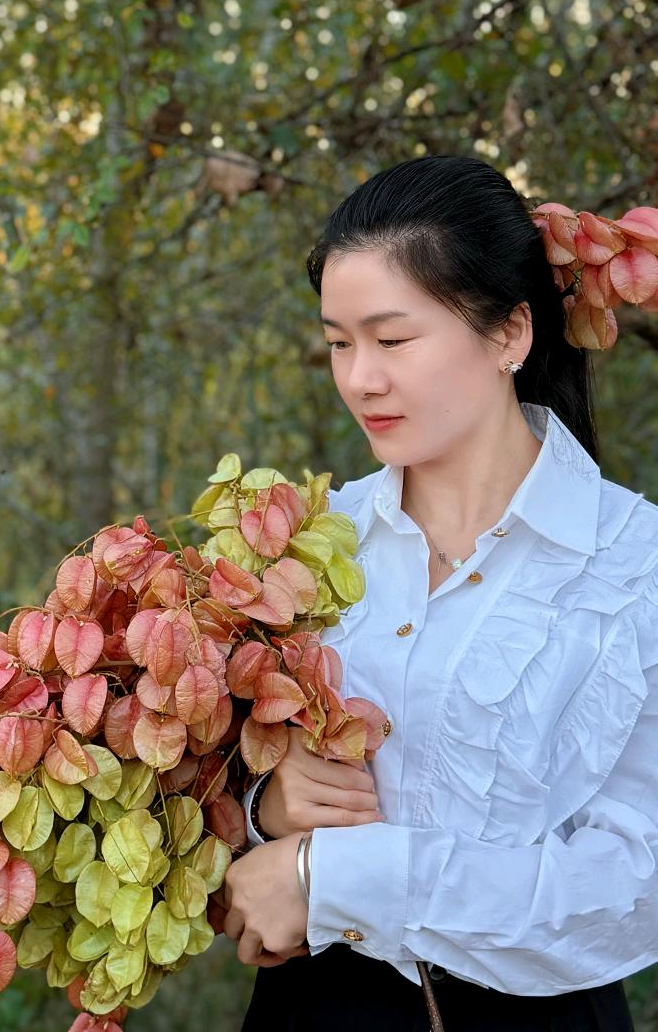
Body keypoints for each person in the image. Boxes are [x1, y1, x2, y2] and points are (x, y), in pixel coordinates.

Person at [220, 155, 657, 1031]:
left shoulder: (631, 566)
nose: (359, 378)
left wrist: (336, 877)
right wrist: (262, 809)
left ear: (509, 334)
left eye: (391, 340)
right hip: (314, 1008)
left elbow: (631, 888)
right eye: (339, 342)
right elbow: (202, 795)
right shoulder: (306, 541)